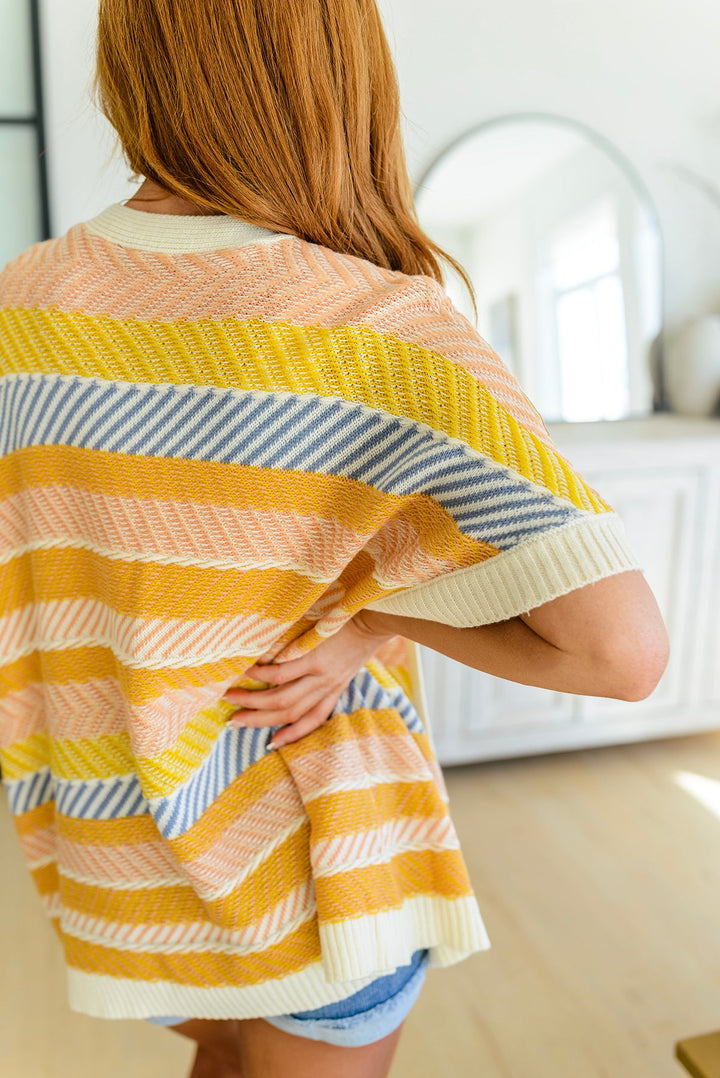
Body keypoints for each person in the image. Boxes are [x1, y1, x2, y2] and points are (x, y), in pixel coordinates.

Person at [0, 1, 669, 1076]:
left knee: (218, 1058)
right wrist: (369, 617)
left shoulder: (21, 310)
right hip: (315, 873)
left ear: (131, 69)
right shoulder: (385, 331)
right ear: (338, 76)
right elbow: (621, 652)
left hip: (121, 867)